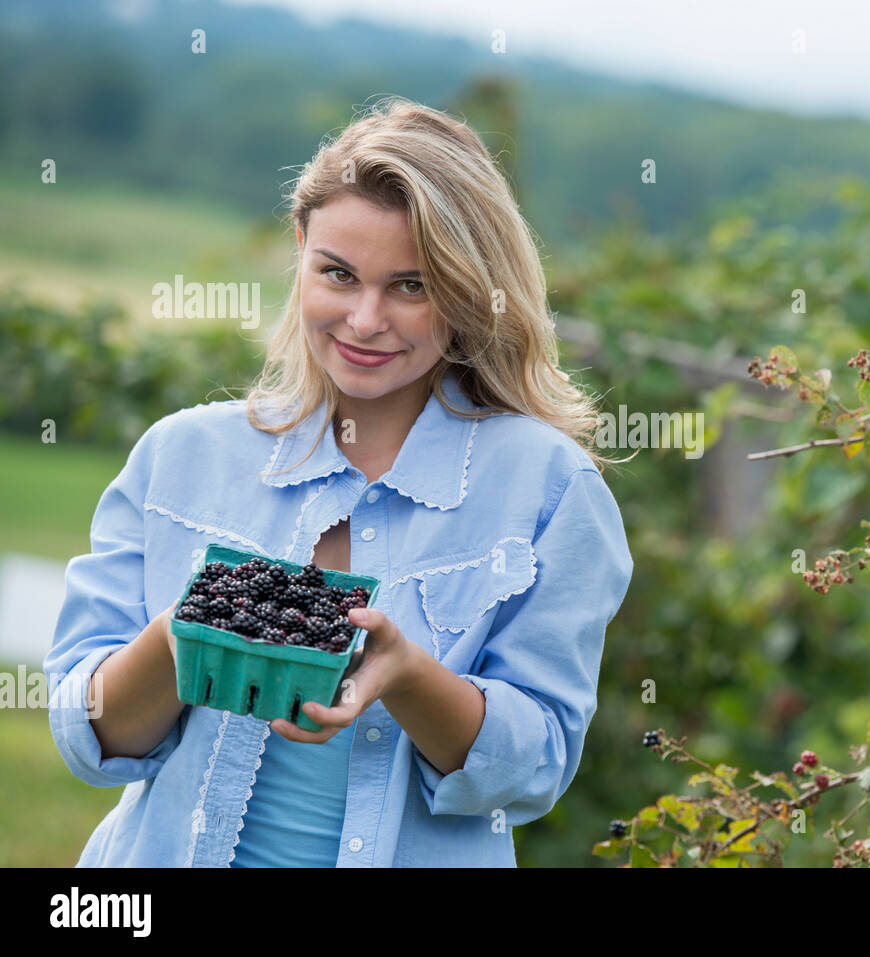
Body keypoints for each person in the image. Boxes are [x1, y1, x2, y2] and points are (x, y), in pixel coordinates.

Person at [43, 95, 635, 867]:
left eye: (411, 286)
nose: (363, 319)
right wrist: (188, 632)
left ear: (467, 292)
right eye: (339, 273)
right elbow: (91, 737)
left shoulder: (547, 488)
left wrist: (408, 676)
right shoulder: (179, 457)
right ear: (301, 250)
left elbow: (534, 767)